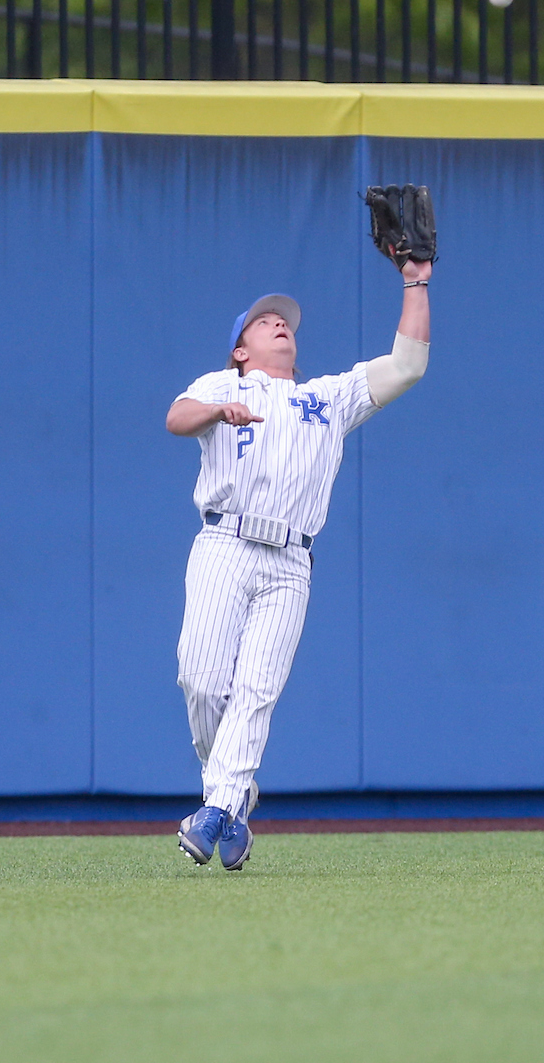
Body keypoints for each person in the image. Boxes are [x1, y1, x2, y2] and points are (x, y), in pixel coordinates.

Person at [165, 253, 431, 870]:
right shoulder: (221, 385)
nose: (280, 324)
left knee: (255, 690)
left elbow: (409, 364)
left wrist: (416, 281)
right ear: (239, 348)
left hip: (289, 561)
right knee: (199, 678)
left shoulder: (327, 399)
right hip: (224, 543)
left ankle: (217, 808)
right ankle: (233, 795)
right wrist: (216, 411)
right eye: (264, 321)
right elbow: (177, 418)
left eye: (286, 321)